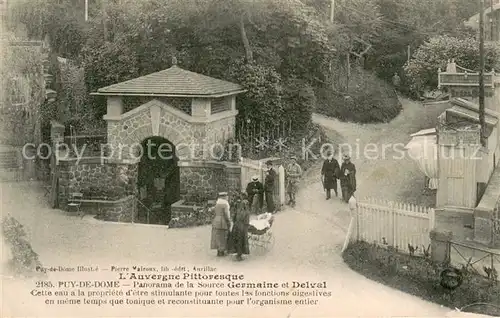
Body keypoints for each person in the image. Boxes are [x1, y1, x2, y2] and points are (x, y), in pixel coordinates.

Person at [227, 193, 250, 261]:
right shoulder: (244, 210)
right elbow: (243, 218)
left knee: (238, 240)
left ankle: (238, 254)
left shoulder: (239, 208)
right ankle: (239, 255)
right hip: (241, 226)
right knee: (240, 240)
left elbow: (235, 217)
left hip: (238, 225)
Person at [210, 192, 233, 256]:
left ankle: (219, 251)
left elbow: (213, 212)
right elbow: (227, 215)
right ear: (224, 197)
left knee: (217, 237)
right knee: (223, 236)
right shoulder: (225, 204)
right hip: (223, 222)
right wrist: (229, 222)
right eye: (226, 196)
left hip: (216, 221)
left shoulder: (217, 204)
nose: (227, 197)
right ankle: (222, 251)